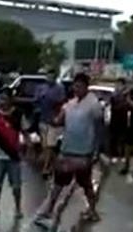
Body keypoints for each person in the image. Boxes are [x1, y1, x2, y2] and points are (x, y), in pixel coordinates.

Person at [37, 72, 105, 224]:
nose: (76, 89)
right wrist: (51, 117)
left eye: (79, 86)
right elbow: (59, 120)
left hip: (83, 152)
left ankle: (92, 210)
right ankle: (49, 209)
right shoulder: (70, 104)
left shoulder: (93, 104)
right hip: (67, 150)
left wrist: (97, 150)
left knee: (86, 184)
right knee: (58, 183)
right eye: (75, 86)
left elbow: (99, 128)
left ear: (86, 87)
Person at [0, 89, 27, 219]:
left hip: (13, 155)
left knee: (16, 186)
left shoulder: (18, 114)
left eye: (4, 99)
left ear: (11, 100)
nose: (2, 102)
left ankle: (17, 209)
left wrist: (26, 147)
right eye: (0, 99)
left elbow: (25, 131)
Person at [35, 69, 66, 178]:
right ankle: (54, 164)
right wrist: (40, 99)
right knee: (45, 146)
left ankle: (46, 168)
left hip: (53, 122)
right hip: (42, 120)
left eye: (52, 76)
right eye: (48, 76)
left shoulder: (60, 88)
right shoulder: (41, 88)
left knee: (49, 145)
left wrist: (50, 98)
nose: (49, 78)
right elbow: (36, 100)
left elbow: (61, 101)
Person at [108, 78, 129, 162]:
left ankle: (123, 155)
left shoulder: (127, 94)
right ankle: (114, 155)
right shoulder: (114, 94)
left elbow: (127, 104)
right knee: (114, 138)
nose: (118, 86)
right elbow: (112, 103)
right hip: (115, 118)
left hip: (123, 118)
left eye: (120, 84)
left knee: (123, 137)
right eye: (117, 84)